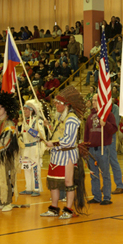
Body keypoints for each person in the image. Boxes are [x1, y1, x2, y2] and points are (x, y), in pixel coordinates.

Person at [41, 86, 88, 219]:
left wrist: (53, 143)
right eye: (55, 103)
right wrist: (49, 126)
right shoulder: (61, 117)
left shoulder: (72, 119)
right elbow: (58, 132)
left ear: (66, 105)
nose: (56, 105)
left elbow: (68, 140)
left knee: (68, 182)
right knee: (53, 182)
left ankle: (68, 209)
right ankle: (54, 208)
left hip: (67, 155)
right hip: (56, 155)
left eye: (58, 103)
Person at [84, 94, 118, 205]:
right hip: (92, 150)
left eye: (95, 100)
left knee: (105, 173)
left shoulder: (108, 115)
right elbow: (86, 134)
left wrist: (105, 124)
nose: (93, 102)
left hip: (103, 149)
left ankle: (107, 197)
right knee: (93, 174)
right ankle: (96, 196)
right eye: (92, 100)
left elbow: (113, 129)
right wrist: (85, 148)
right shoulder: (89, 117)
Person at [19, 99, 48, 196]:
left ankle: (36, 189)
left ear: (31, 110)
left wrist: (30, 130)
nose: (24, 111)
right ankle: (29, 188)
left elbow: (41, 136)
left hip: (34, 148)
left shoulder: (38, 121)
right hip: (26, 149)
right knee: (26, 168)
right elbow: (23, 135)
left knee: (35, 168)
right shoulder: (24, 121)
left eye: (26, 109)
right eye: (24, 109)